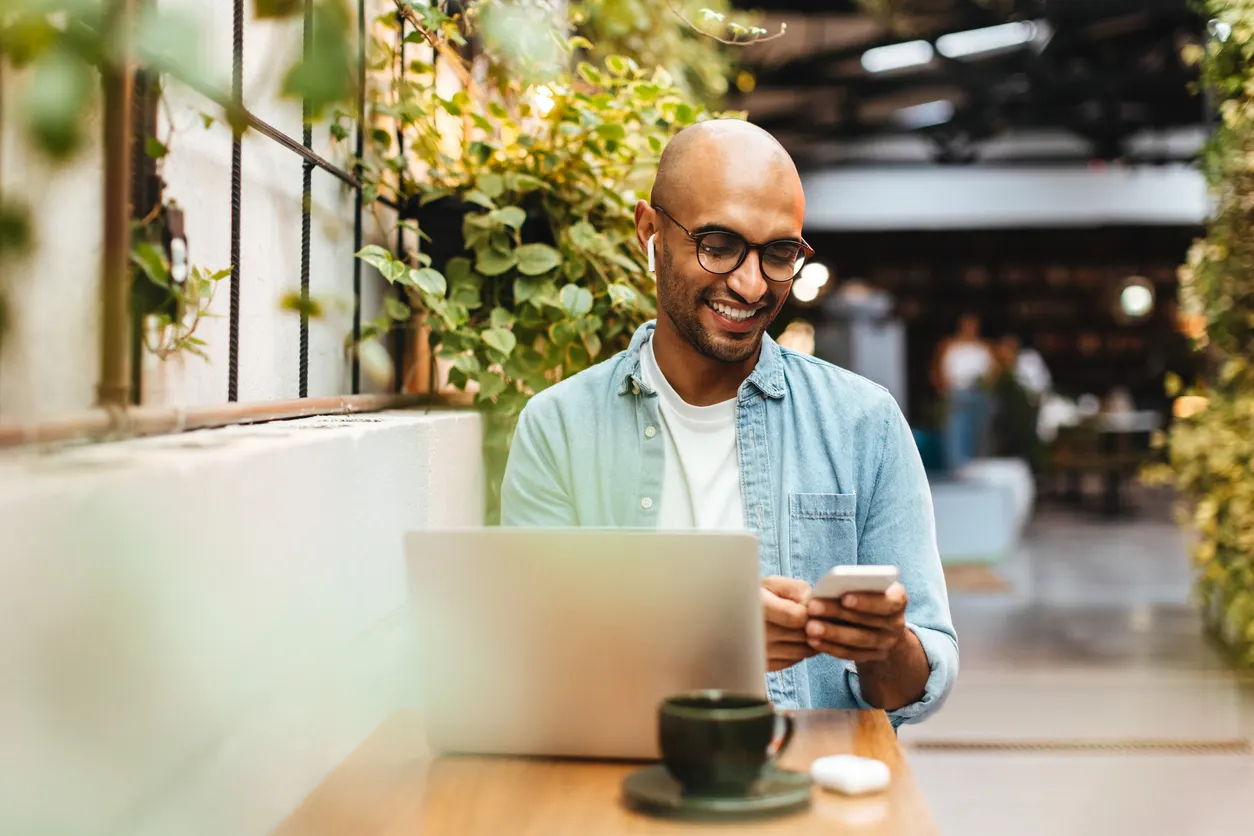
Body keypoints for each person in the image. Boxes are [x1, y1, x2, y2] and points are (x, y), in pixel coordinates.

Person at [499, 119, 956, 726]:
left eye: (779, 253)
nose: (749, 284)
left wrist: (884, 645)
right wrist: (710, 637)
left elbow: (917, 681)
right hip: (619, 790)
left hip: (806, 795)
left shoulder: (862, 423)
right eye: (718, 244)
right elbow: (532, 662)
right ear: (650, 233)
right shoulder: (559, 428)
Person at [930, 313, 993, 473]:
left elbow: (991, 372)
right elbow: (938, 369)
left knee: (979, 430)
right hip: (957, 391)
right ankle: (956, 466)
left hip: (978, 392)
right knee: (956, 429)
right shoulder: (950, 345)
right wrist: (943, 388)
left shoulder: (982, 347)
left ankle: (978, 465)